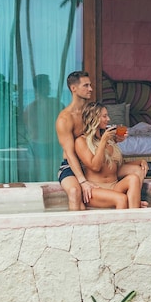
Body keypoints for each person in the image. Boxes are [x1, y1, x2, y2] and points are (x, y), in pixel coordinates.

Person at [74, 102, 147, 209]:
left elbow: (116, 165)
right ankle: (125, 224)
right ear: (94, 118)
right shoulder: (81, 141)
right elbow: (95, 166)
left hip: (113, 186)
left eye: (107, 116)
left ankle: (134, 216)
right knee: (121, 199)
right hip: (96, 190)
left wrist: (140, 161)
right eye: (104, 116)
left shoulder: (110, 140)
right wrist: (103, 141)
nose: (108, 119)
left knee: (134, 178)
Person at [55, 71, 96, 210]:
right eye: (86, 85)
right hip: (71, 166)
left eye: (90, 85)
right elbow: (69, 152)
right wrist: (82, 181)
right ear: (74, 88)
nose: (90, 89)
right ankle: (76, 230)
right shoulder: (65, 118)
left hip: (92, 163)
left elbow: (100, 139)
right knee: (74, 192)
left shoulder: (91, 112)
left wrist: (118, 138)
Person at [23, 74, 62, 180]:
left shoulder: (56, 104)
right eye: (47, 84)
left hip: (53, 145)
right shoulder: (31, 108)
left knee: (54, 175)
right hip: (39, 146)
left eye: (49, 84)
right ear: (39, 87)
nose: (49, 87)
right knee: (41, 176)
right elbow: (30, 128)